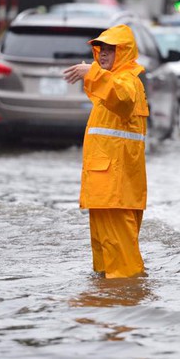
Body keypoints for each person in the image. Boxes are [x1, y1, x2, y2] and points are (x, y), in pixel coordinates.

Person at [63, 24, 149, 279]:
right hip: (105, 188)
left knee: (123, 269)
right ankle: (105, 309)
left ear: (123, 53)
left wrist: (93, 74)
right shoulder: (113, 81)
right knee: (105, 264)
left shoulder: (127, 82)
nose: (102, 53)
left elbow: (121, 98)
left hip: (116, 190)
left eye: (110, 50)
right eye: (101, 48)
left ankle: (125, 309)